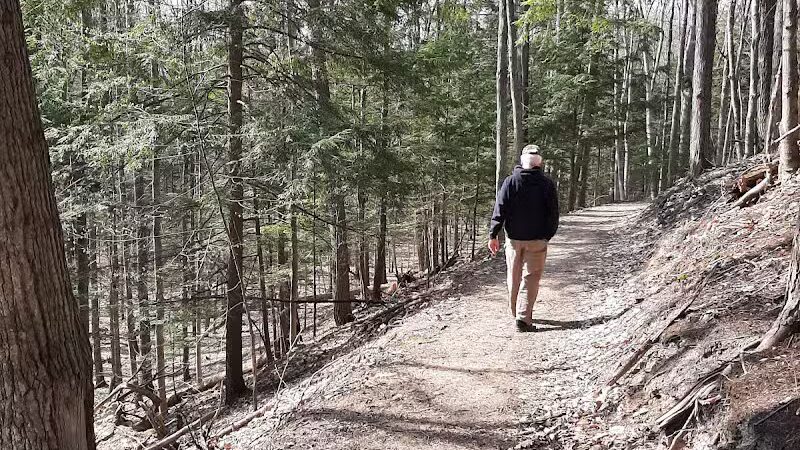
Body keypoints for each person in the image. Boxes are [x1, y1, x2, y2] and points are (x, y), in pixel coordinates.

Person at [488, 144, 559, 332]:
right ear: (539, 164)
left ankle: (516, 312)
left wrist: (493, 234)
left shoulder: (510, 182)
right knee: (531, 278)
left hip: (513, 240)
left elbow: (500, 209)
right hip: (537, 241)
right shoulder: (547, 184)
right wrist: (547, 235)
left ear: (522, 161)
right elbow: (553, 214)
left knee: (513, 276)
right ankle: (523, 317)